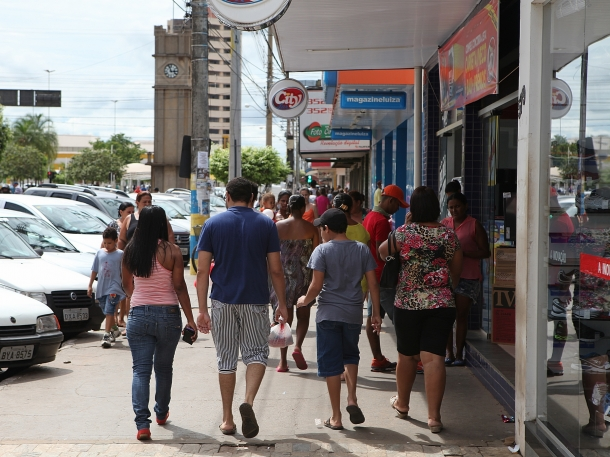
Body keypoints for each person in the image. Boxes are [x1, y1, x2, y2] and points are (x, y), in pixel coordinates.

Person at [195, 177, 288, 439]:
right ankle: (247, 400)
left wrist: (202, 309)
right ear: (252, 198)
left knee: (226, 358)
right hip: (256, 300)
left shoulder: (213, 224)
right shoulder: (265, 224)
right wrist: (282, 302)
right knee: (257, 354)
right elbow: (276, 270)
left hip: (222, 300)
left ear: (227, 196)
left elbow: (202, 270)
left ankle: (226, 419)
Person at [379, 186, 462, 434]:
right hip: (441, 302)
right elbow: (455, 271)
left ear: (413, 209)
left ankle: (402, 404)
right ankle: (434, 418)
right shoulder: (448, 235)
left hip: (408, 303)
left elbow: (383, 252)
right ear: (436, 207)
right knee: (434, 357)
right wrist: (442, 290)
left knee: (406, 355)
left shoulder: (404, 233)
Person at [296, 208, 382, 430]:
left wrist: (304, 300)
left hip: (328, 315)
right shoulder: (362, 250)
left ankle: (336, 416)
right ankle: (352, 398)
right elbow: (373, 284)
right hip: (353, 313)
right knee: (350, 355)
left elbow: (315, 285)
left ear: (326, 229)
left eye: (321, 228)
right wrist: (375, 313)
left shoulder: (322, 251)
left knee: (331, 364)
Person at [122, 206, 197, 441]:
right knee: (164, 368)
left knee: (140, 371)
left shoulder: (130, 251)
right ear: (162, 225)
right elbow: (179, 286)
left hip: (139, 315)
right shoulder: (172, 251)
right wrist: (191, 319)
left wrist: (140, 301)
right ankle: (161, 412)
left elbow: (127, 286)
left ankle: (142, 425)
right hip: (168, 315)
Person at [362, 184, 409, 372]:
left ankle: (378, 359)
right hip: (384, 278)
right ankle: (412, 359)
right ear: (390, 201)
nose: (398, 209)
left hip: (373, 276)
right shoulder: (380, 221)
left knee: (373, 318)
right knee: (400, 319)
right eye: (397, 205)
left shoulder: (369, 217)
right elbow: (383, 252)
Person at [270, 195, 319, 372]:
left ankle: (282, 362)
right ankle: (298, 346)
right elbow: (316, 256)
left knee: (284, 319)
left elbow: (270, 254)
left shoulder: (277, 227)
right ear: (303, 209)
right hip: (304, 278)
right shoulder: (312, 229)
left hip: (281, 278)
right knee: (303, 316)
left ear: (289, 207)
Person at [441, 192, 490, 366]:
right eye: (451, 208)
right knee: (447, 316)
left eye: (457, 206)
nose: (454, 210)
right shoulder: (444, 224)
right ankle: (448, 353)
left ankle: (459, 354)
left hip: (468, 277)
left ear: (465, 206)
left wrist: (463, 253)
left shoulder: (474, 225)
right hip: (446, 277)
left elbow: (486, 252)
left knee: (461, 316)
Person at [87, 227, 124, 348]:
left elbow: (124, 272)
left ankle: (106, 334)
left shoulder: (120, 254)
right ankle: (114, 329)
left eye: (110, 243)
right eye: (105, 243)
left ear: (116, 241)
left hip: (114, 287)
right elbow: (94, 270)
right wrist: (90, 285)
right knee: (105, 309)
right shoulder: (100, 253)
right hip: (102, 287)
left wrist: (126, 286)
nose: (107, 245)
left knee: (109, 310)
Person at [107, 202, 135, 329]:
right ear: (121, 212)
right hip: (115, 260)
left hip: (128, 259)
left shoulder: (132, 224)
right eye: (128, 212)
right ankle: (112, 319)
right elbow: (105, 241)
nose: (131, 214)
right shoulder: (114, 225)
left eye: (132, 212)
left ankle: (122, 318)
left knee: (126, 290)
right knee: (114, 290)